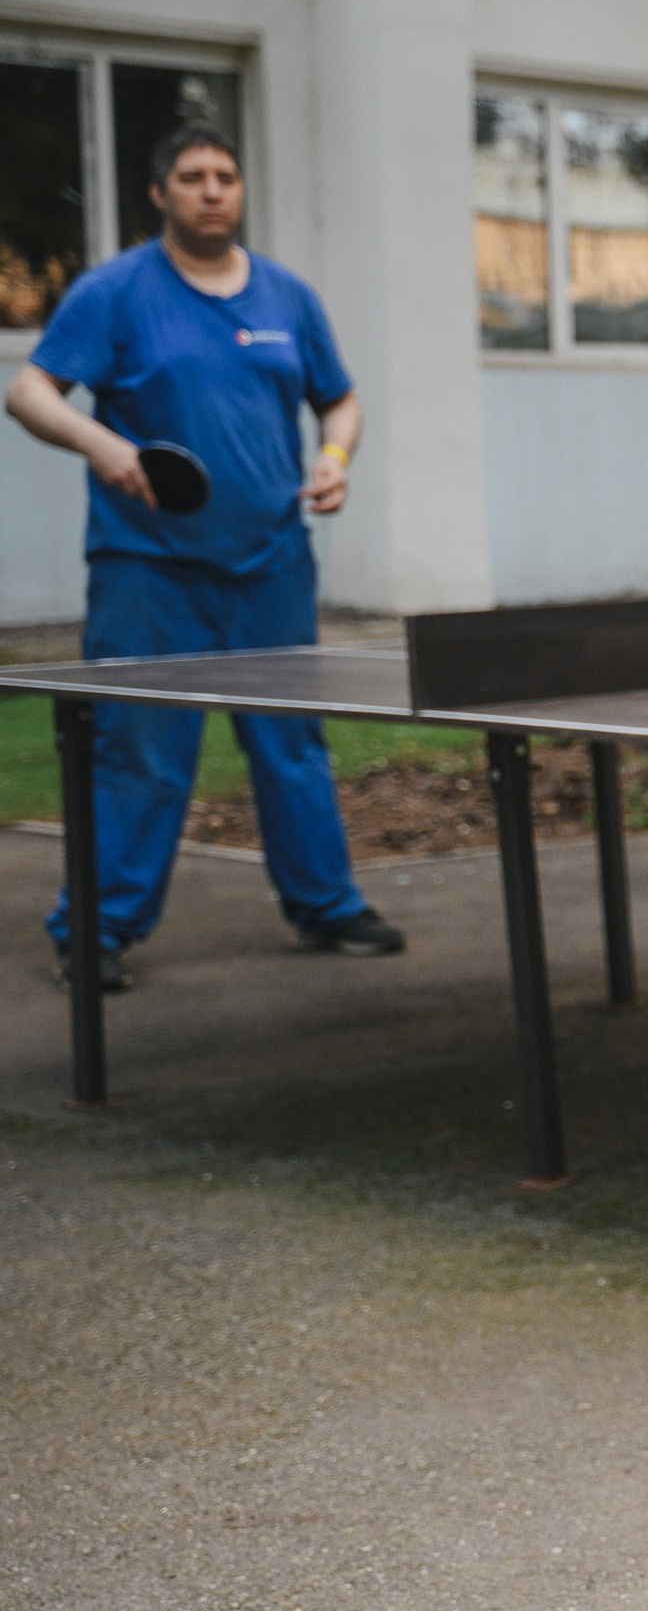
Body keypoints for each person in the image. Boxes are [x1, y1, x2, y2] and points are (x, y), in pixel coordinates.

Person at [5, 125, 406, 991]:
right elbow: (29, 390)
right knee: (139, 749)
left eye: (225, 176)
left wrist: (334, 461)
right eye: (192, 177)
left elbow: (340, 402)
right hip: (147, 569)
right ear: (161, 194)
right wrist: (101, 445)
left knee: (291, 742)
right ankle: (98, 930)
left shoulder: (288, 297)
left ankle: (324, 903)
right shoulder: (115, 292)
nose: (213, 190)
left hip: (271, 562)